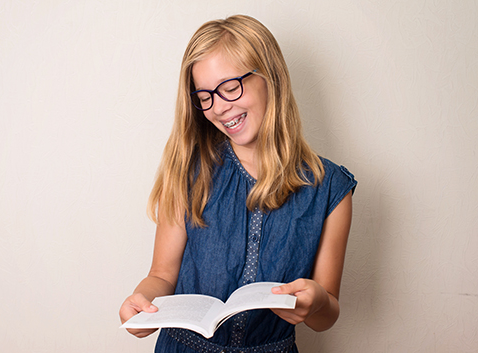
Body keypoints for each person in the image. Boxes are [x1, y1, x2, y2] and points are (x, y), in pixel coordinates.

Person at [119, 14, 357, 353]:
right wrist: (142, 300)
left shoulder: (331, 188)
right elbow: (161, 274)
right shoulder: (189, 171)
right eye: (205, 97)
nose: (219, 107)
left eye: (230, 87)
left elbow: (325, 315)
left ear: (269, 77)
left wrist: (317, 301)